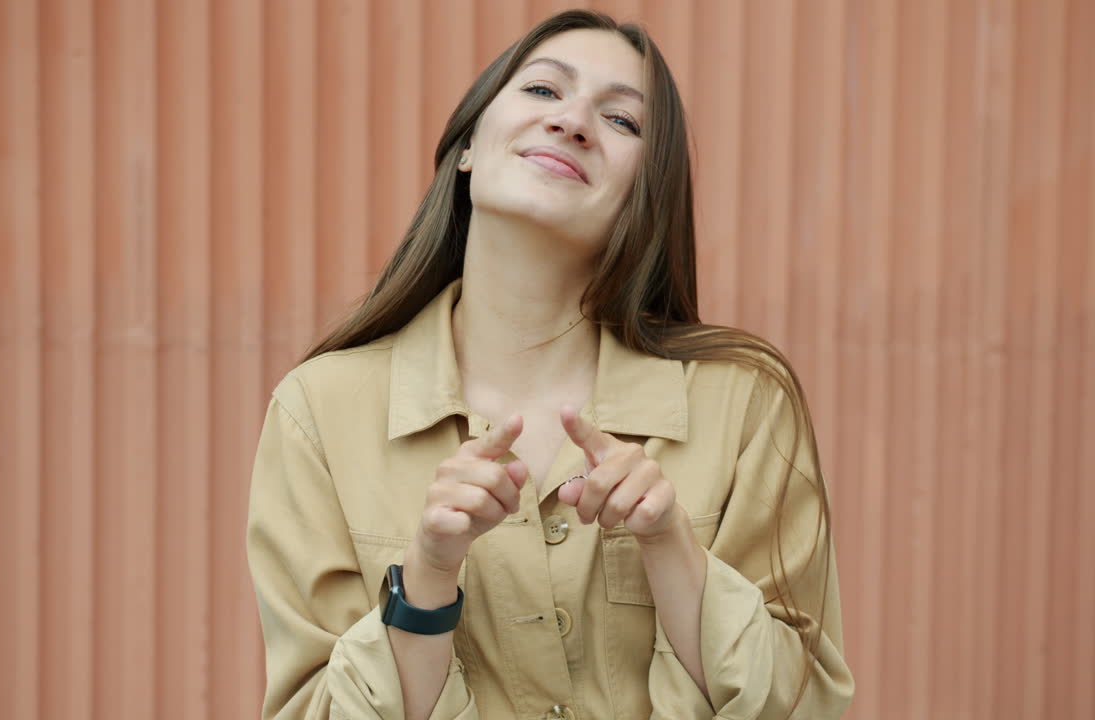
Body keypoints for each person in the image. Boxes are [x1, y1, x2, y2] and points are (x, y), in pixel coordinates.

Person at [247, 9, 853, 720]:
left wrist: (672, 552)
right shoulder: (318, 413)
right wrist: (427, 578)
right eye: (542, 91)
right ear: (469, 142)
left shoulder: (745, 402)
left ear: (644, 197)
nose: (572, 122)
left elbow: (805, 702)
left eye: (622, 121)